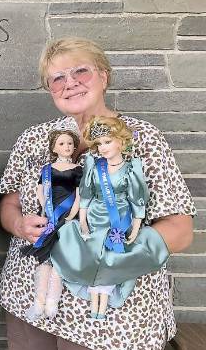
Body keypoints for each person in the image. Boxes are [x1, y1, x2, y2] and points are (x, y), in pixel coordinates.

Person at [0, 37, 195, 350]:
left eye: (80, 71)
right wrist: (17, 223)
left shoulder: (142, 139)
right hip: (35, 306)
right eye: (57, 78)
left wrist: (104, 255)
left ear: (104, 76)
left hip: (112, 320)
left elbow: (179, 230)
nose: (69, 82)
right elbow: (9, 201)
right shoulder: (34, 139)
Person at [52, 116, 170, 320]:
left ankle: (103, 303)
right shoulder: (95, 166)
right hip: (94, 217)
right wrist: (81, 220)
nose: (103, 148)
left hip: (119, 218)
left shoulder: (131, 168)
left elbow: (137, 199)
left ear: (121, 141)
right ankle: (92, 296)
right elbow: (86, 196)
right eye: (99, 144)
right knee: (87, 253)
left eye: (107, 142)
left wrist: (135, 228)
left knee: (111, 257)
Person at [19, 129, 82, 321]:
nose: (67, 147)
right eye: (62, 143)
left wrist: (73, 212)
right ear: (54, 147)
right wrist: (44, 208)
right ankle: (39, 300)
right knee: (45, 257)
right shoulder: (47, 169)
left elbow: (80, 193)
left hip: (68, 215)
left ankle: (52, 301)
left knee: (59, 258)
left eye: (70, 143)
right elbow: (41, 190)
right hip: (49, 214)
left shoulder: (78, 169)